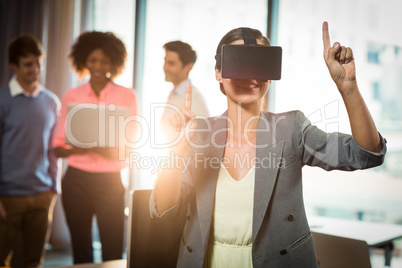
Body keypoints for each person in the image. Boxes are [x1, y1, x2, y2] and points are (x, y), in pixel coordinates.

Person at [150, 22, 387, 268]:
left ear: (271, 74)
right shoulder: (197, 134)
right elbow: (163, 211)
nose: (249, 75)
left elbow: (364, 154)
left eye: (259, 64)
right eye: (239, 63)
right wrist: (175, 152)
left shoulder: (291, 128)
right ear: (218, 72)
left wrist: (348, 87)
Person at [52, 31, 137, 264]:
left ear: (114, 62)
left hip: (110, 182)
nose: (98, 66)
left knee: (112, 249)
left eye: (105, 60)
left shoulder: (127, 96)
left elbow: (132, 146)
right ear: (84, 61)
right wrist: (81, 148)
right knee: (81, 251)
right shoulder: (72, 96)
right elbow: (58, 148)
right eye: (93, 60)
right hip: (76, 182)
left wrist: (111, 150)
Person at [0, 35, 59, 267]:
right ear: (14, 66)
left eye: (38, 63)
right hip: (7, 197)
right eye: (28, 64)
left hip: (42, 195)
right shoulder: (3, 100)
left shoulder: (51, 102)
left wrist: (53, 187)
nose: (35, 69)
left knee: (33, 261)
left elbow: (53, 149)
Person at [161, 41, 209, 126]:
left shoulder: (195, 99)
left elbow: (201, 137)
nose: (165, 67)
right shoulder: (174, 94)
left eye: (171, 63)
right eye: (165, 61)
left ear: (188, 67)